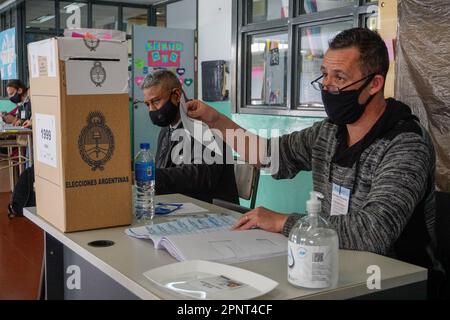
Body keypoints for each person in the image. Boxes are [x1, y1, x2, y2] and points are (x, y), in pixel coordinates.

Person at [187, 28, 443, 295]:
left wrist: (282, 221)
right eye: (325, 74)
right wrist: (213, 119)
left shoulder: (406, 143)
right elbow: (268, 155)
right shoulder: (329, 131)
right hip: (334, 267)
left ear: (374, 84)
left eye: (340, 77)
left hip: (398, 282)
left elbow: (373, 231)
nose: (327, 85)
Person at [140, 70, 239, 204]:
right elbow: (164, 171)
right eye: (148, 104)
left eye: (156, 101)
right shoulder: (166, 129)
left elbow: (203, 176)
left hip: (213, 210)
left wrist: (154, 176)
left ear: (176, 95)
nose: (151, 109)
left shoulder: (205, 123)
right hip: (180, 205)